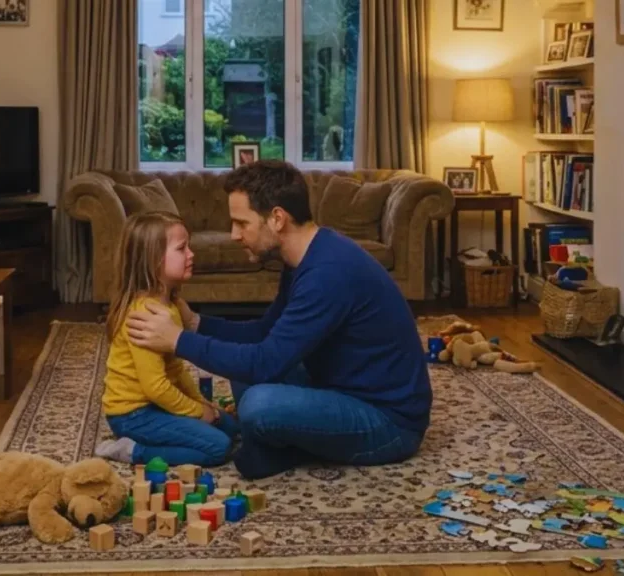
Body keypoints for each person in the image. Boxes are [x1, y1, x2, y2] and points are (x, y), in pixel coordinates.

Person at [125, 160, 432, 479]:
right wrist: (195, 324)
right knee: (242, 365)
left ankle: (285, 448)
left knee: (259, 402)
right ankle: (284, 444)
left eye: (241, 223)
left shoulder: (326, 274)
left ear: (277, 218)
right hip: (339, 386)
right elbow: (264, 333)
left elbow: (265, 364)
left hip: (389, 423)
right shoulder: (305, 256)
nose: (234, 235)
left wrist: (177, 341)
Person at [93, 211, 240, 467]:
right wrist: (198, 413)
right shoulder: (144, 314)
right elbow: (156, 386)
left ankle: (173, 432)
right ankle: (134, 450)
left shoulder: (172, 305)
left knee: (231, 427)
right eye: (182, 248)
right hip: (133, 414)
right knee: (218, 447)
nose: (191, 254)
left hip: (157, 404)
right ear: (154, 260)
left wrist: (202, 404)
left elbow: (176, 370)